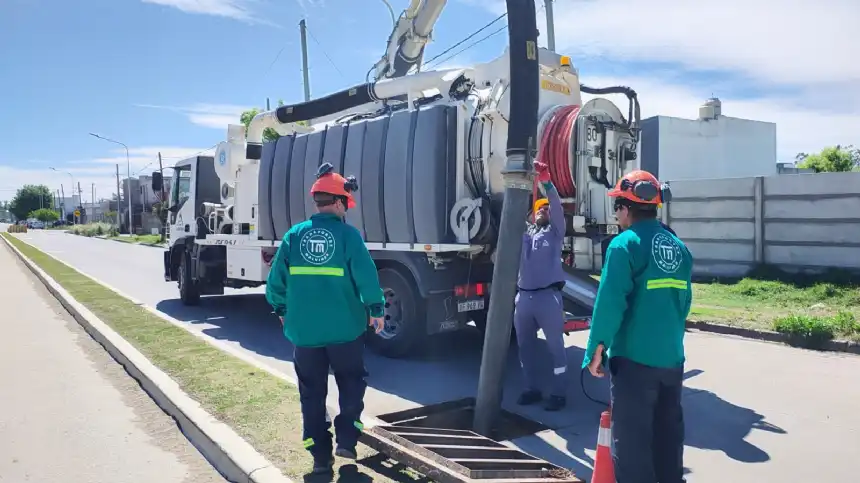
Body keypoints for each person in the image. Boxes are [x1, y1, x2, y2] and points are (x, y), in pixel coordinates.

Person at [265, 162, 385, 475]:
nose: (347, 208)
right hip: (346, 329)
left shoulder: (294, 236)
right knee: (351, 381)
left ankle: (320, 456)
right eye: (346, 203)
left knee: (311, 393)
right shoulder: (349, 236)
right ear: (338, 202)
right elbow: (367, 279)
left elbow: (275, 283)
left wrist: (281, 310)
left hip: (304, 332)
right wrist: (376, 310)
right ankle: (346, 438)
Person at [582, 170, 693, 483]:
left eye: (617, 206)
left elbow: (610, 303)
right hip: (672, 360)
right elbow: (684, 304)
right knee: (668, 439)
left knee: (632, 446)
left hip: (634, 361)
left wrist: (596, 350)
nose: (616, 214)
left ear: (625, 208)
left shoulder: (623, 245)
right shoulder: (677, 246)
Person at [514, 160, 569, 412]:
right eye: (539, 208)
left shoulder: (555, 234)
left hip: (548, 298)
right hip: (523, 299)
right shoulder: (526, 234)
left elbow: (556, 208)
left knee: (555, 346)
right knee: (525, 347)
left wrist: (547, 184)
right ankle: (531, 388)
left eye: (546, 209)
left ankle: (558, 393)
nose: (543, 211)